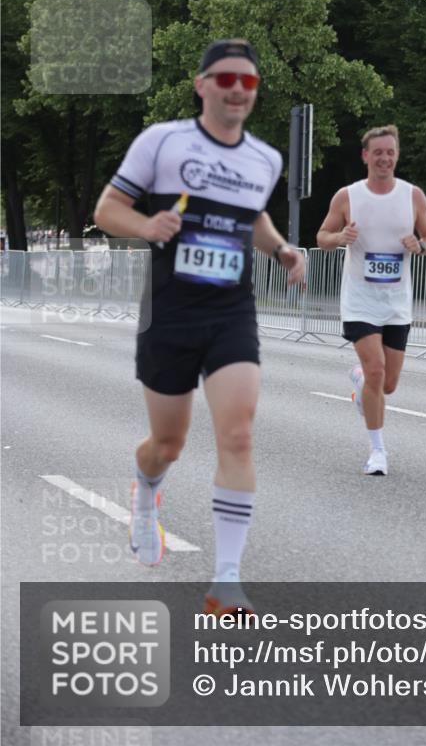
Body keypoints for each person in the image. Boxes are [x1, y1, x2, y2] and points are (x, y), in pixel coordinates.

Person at [94, 38, 305, 615]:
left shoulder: (264, 159)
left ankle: (227, 580)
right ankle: (146, 497)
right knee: (169, 443)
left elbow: (253, 217)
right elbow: (106, 209)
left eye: (249, 82)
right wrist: (145, 225)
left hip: (230, 310)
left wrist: (283, 249)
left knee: (237, 433)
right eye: (226, 78)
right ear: (202, 84)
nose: (238, 89)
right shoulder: (162, 142)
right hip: (170, 312)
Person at [316, 125, 426, 476]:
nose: (384, 158)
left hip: (396, 301)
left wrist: (422, 245)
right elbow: (322, 236)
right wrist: (341, 237)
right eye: (378, 152)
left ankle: (360, 382)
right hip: (359, 300)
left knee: (387, 384)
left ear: (396, 155)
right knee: (376, 370)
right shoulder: (347, 196)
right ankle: (378, 452)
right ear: (365, 156)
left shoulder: (413, 196)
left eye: (390, 152)